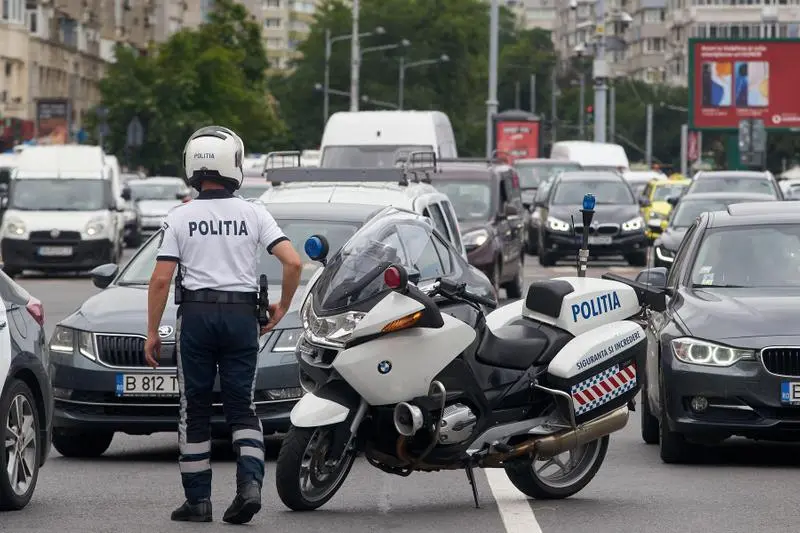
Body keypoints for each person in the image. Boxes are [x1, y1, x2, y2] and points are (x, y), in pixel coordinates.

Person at [144, 126, 302, 524]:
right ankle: (249, 487)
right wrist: (282, 306)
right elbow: (293, 262)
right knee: (242, 406)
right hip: (241, 318)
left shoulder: (181, 215)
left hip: (196, 317)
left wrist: (151, 331)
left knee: (194, 408)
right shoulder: (255, 213)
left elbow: (161, 278)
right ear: (234, 164)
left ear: (191, 167)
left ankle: (198, 502)